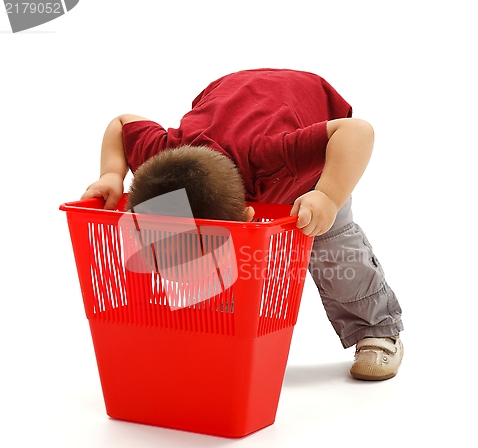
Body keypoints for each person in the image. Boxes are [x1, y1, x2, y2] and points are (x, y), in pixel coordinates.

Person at [81, 68, 404, 381]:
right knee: (222, 264)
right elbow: (122, 123)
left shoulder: (273, 154)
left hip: (317, 148)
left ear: (249, 216)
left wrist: (329, 196)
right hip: (231, 94)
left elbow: (356, 130)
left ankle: (377, 330)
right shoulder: (159, 152)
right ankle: (221, 327)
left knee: (330, 245)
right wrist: (111, 174)